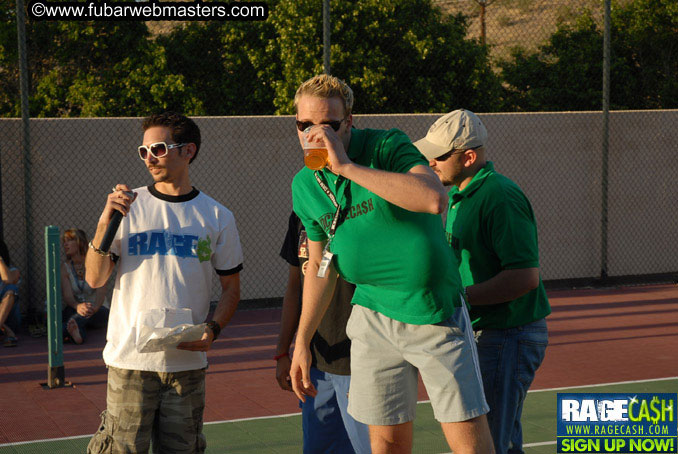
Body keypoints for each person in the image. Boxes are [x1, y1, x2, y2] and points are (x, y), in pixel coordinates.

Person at [288, 75, 494, 454]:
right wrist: (300, 341)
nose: (317, 134)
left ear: (349, 122)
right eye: (306, 125)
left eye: (329, 125)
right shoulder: (304, 185)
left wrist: (346, 166)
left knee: (466, 436)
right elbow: (320, 265)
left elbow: (433, 198)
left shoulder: (387, 144)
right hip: (370, 314)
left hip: (430, 308)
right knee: (385, 442)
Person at [85, 111, 243, 454]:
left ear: (188, 151)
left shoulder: (217, 216)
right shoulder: (128, 207)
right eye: (143, 151)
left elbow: (232, 288)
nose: (149, 158)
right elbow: (95, 277)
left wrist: (214, 328)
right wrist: (104, 221)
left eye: (157, 148)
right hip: (130, 362)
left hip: (186, 364)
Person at [415, 109, 551, 454]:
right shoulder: (462, 196)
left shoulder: (499, 196)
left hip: (507, 336)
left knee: (489, 441)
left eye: (439, 156)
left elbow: (525, 277)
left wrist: (459, 297)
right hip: (488, 333)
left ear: (469, 156)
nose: (431, 162)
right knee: (500, 439)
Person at [276, 211, 371, 454]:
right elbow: (295, 287)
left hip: (359, 359)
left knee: (368, 447)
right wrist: (284, 352)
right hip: (315, 361)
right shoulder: (301, 212)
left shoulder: (363, 204)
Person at [61, 228, 109, 344]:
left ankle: (65, 330)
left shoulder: (95, 262)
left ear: (80, 243)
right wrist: (77, 306)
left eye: (70, 240)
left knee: (74, 320)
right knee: (68, 313)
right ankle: (77, 335)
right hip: (76, 308)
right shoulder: (65, 268)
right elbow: (68, 296)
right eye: (64, 241)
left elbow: (101, 291)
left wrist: (94, 308)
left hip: (98, 309)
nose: (65, 244)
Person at [0, 239, 21, 347]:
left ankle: (6, 328)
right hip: (6, 326)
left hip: (11, 320)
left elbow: (8, 280)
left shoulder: (14, 271)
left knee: (11, 289)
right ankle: (6, 332)